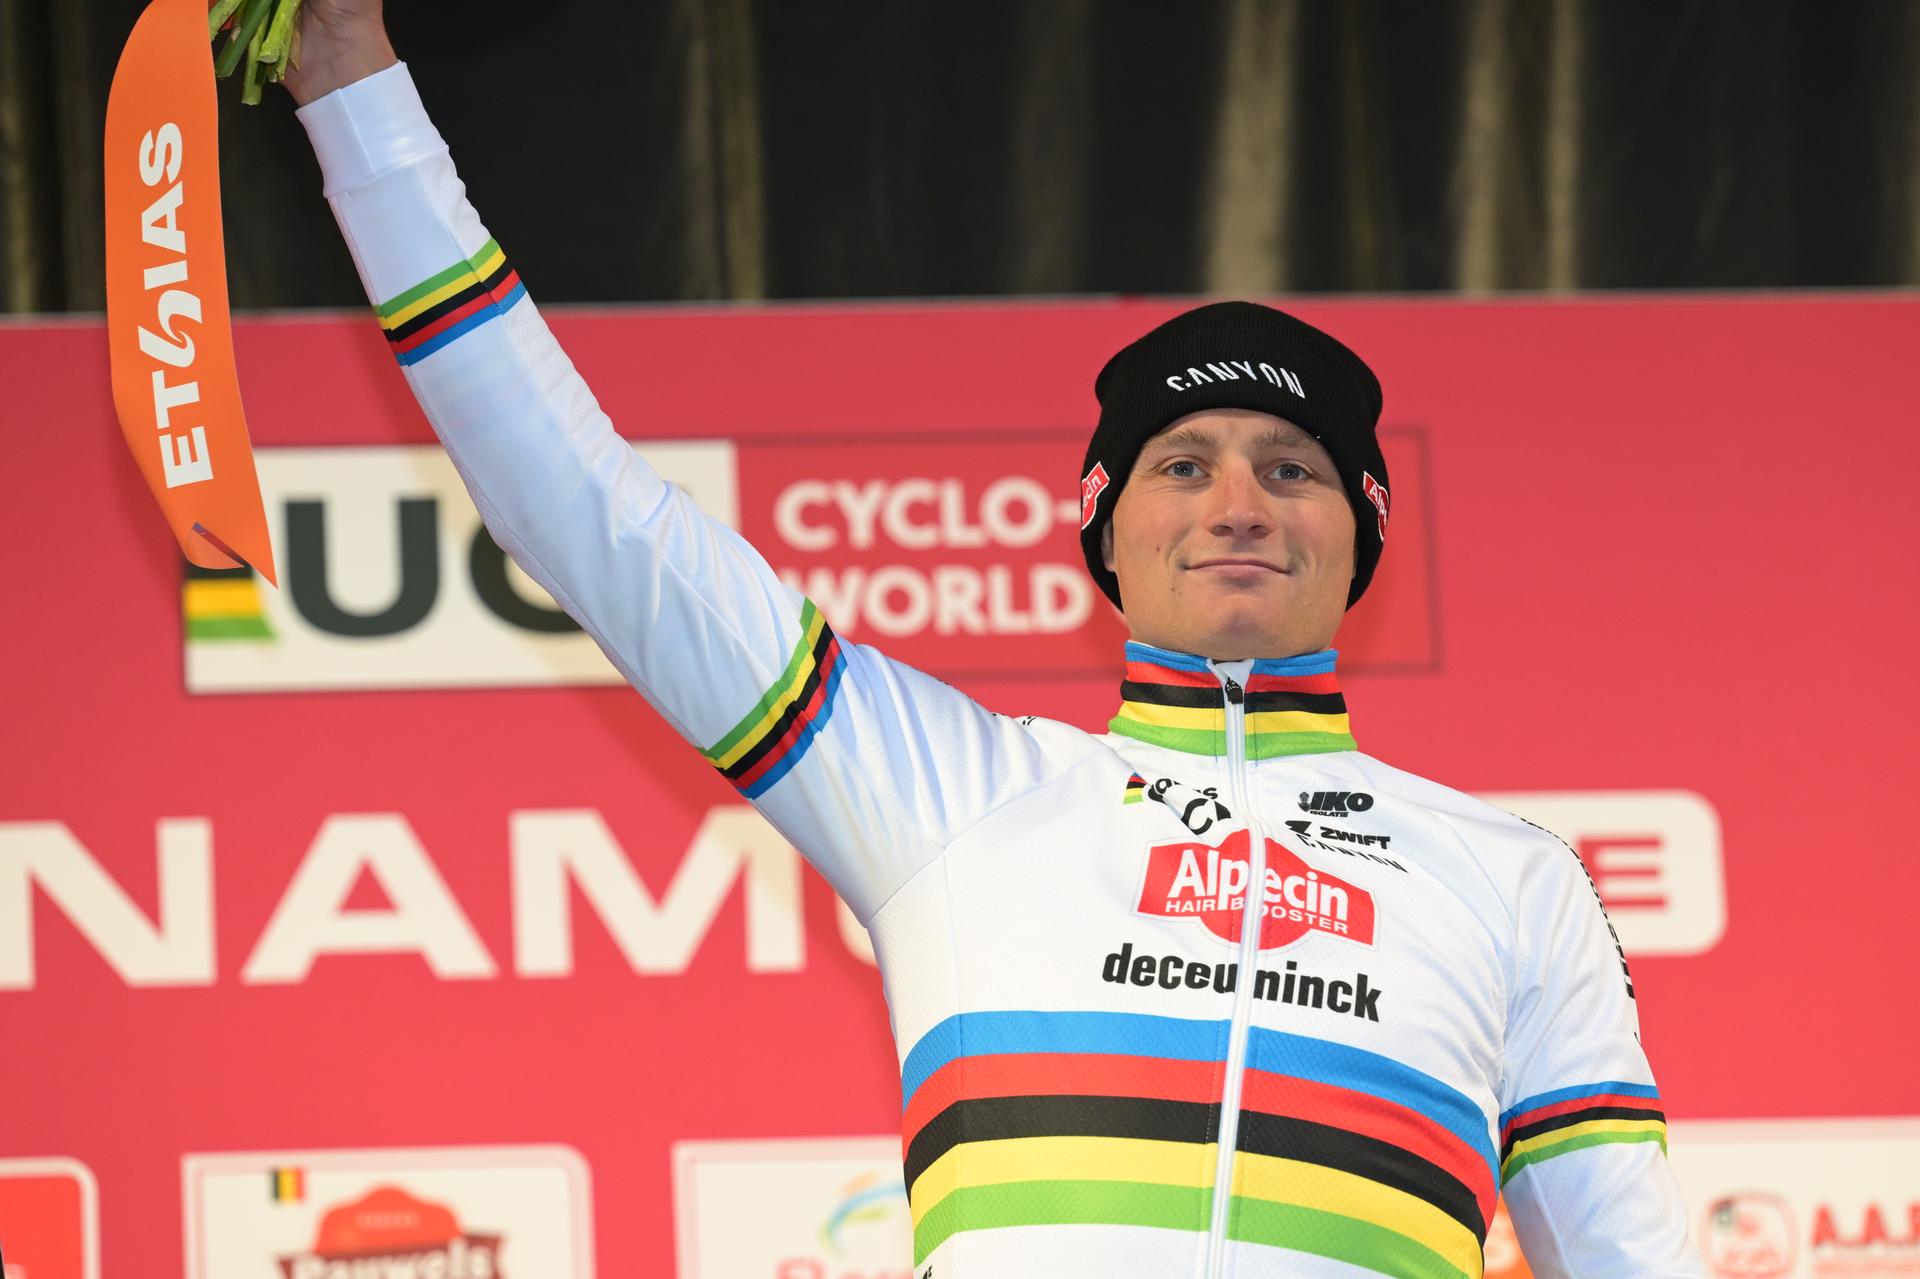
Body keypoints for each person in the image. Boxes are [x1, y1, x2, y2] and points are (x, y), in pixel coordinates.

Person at [280, 7, 1706, 1276]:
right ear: (1104, 524)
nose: (1238, 505)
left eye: (1292, 467)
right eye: (1183, 463)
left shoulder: (1518, 883)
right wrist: (350, 80)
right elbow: (580, 510)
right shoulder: (957, 792)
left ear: (1363, 527)